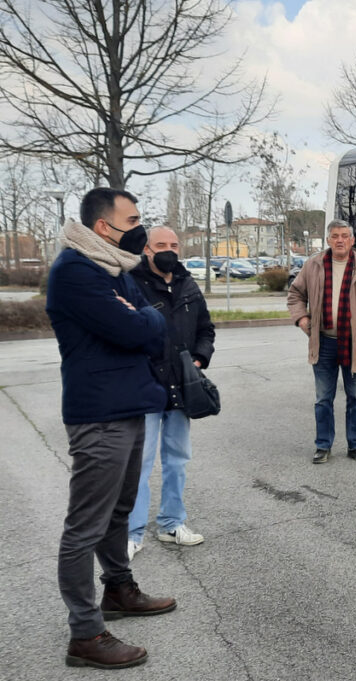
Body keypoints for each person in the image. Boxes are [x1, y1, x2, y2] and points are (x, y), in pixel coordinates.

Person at [46, 188, 177, 669]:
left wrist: (141, 318)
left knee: (120, 509)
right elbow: (137, 329)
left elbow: (150, 317)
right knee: (86, 525)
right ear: (105, 226)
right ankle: (85, 634)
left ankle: (119, 590)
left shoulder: (114, 269)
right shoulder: (75, 272)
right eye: (134, 218)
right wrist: (141, 320)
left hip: (128, 403)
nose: (141, 226)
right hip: (98, 413)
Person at [127, 226, 215, 559]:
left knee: (177, 460)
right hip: (145, 387)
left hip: (182, 389)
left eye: (174, 244)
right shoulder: (131, 283)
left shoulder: (188, 284)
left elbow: (206, 329)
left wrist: (199, 357)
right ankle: (132, 533)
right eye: (161, 244)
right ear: (146, 249)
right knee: (140, 464)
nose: (169, 249)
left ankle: (171, 524)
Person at [287, 219, 356, 464]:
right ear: (328, 240)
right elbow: (295, 295)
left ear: (352, 240)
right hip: (323, 343)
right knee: (323, 398)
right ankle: (323, 445)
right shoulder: (313, 265)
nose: (340, 240)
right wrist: (302, 319)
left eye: (345, 235)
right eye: (335, 236)